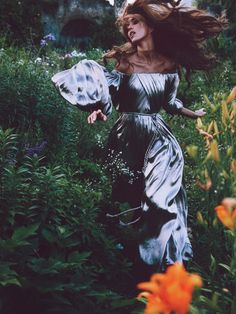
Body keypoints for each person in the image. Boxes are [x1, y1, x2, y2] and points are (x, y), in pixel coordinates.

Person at [52, 0, 226, 272]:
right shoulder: (125, 62)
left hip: (158, 138)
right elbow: (112, 94)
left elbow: (170, 103)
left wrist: (194, 114)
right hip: (126, 136)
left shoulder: (169, 64)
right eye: (127, 24)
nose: (129, 28)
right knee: (132, 198)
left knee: (159, 199)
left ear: (151, 25)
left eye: (135, 21)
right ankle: (126, 256)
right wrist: (98, 110)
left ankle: (158, 267)